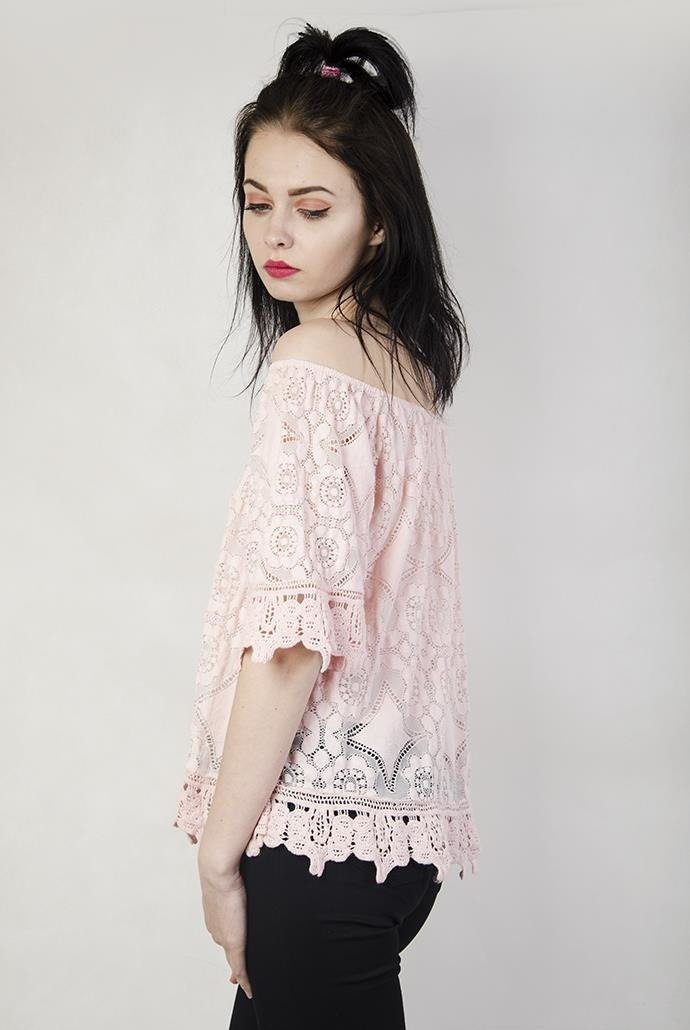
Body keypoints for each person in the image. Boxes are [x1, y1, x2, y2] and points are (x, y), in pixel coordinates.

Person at [172, 22, 481, 1030]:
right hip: (392, 843)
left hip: (311, 843)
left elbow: (294, 640)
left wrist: (218, 857)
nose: (276, 236)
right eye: (256, 202)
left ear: (379, 222)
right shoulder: (408, 372)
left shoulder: (311, 370)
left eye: (312, 209)